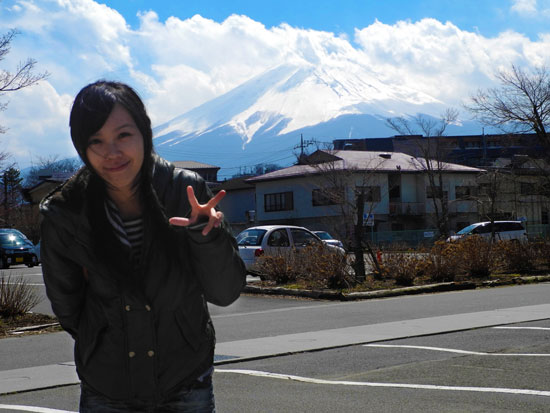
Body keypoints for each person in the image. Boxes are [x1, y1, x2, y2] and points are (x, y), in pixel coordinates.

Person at [40, 80, 246, 412]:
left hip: (185, 381)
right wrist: (104, 340)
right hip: (107, 387)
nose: (112, 152)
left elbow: (225, 292)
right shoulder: (65, 213)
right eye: (96, 140)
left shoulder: (184, 192)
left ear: (144, 133)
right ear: (82, 147)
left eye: (123, 135)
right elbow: (69, 309)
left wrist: (204, 236)